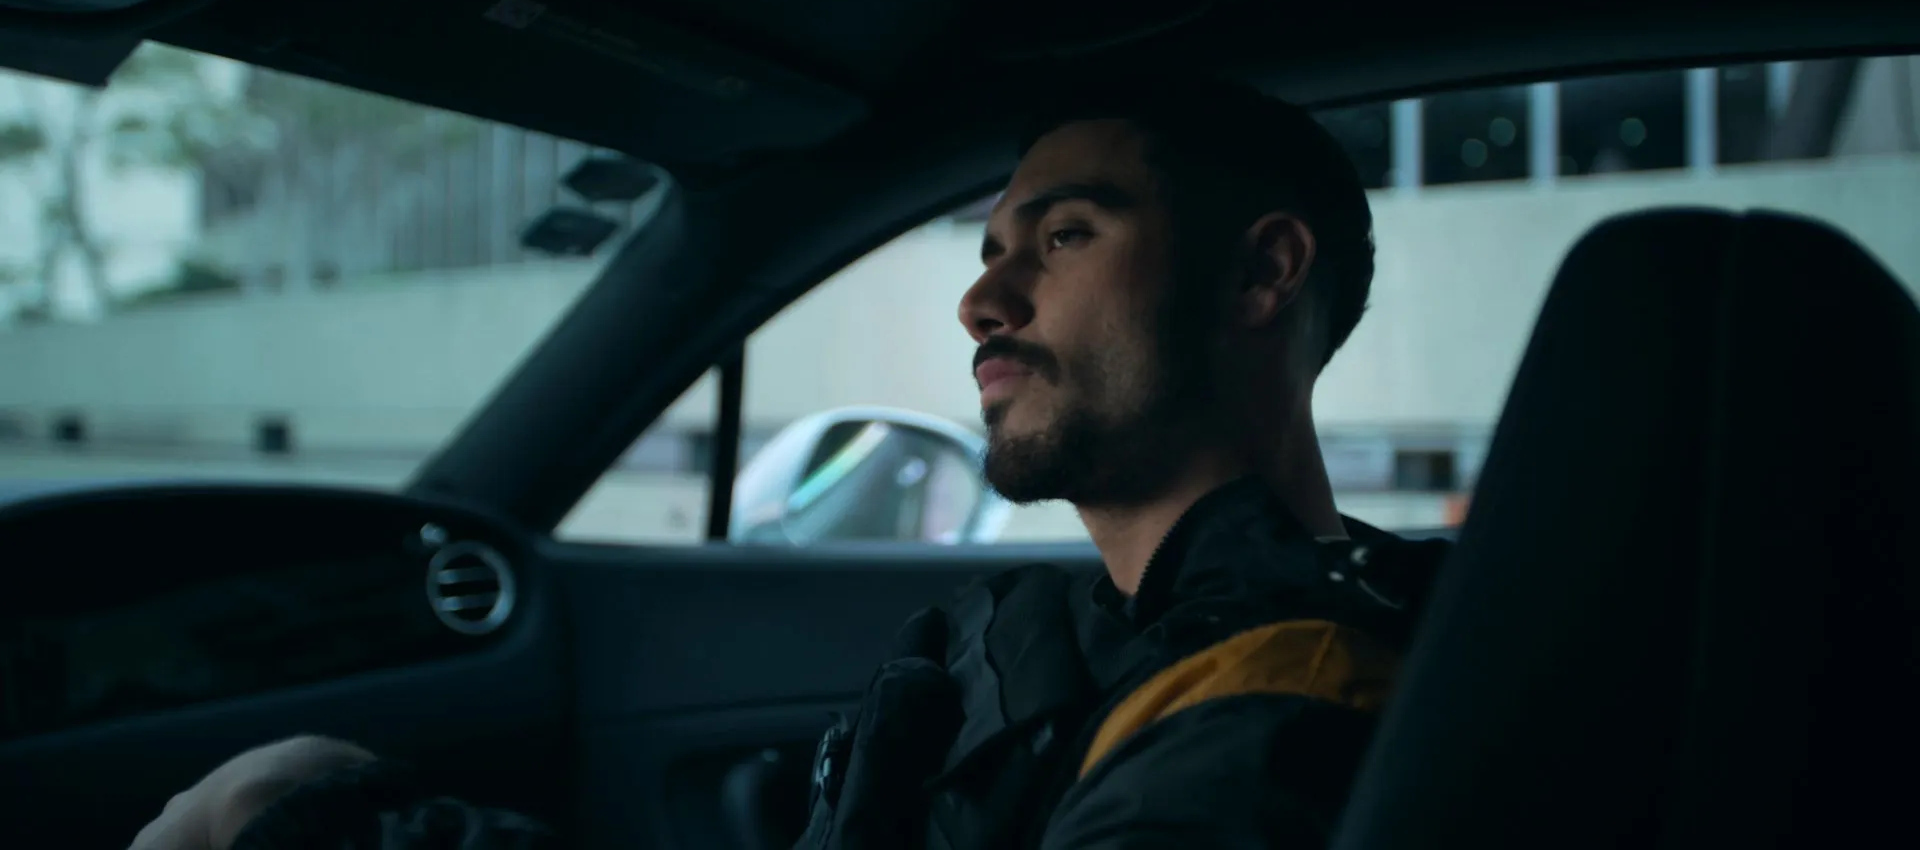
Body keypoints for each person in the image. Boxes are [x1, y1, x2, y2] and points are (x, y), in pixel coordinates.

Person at [130, 78, 1451, 850]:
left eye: (1062, 238)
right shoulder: (1054, 634)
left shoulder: (1287, 699)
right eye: (990, 251)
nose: (982, 304)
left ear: (1263, 273)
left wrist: (323, 826)